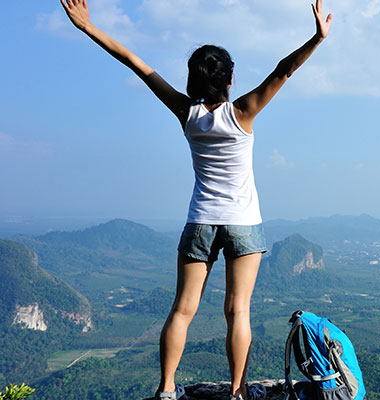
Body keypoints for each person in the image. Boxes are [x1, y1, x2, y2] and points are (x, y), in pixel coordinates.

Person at [59, 1, 332, 399]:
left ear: (192, 80)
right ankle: (238, 393)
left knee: (183, 310)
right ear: (230, 79)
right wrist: (317, 38)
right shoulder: (244, 111)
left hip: (201, 221)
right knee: (238, 311)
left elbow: (135, 62)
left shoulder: (185, 113)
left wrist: (87, 27)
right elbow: (283, 70)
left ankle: (167, 389)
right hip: (243, 222)